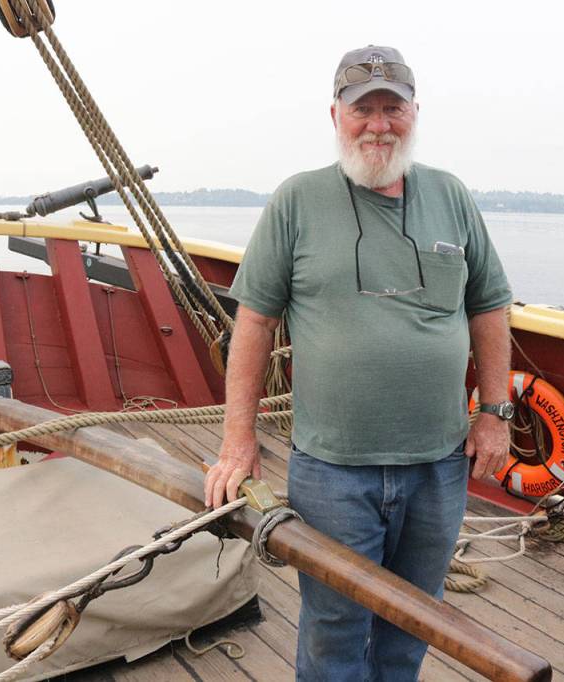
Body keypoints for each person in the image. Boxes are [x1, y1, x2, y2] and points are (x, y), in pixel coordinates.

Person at [204, 45, 515, 681]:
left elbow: (489, 306)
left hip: (438, 467)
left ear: (414, 113)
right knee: (335, 626)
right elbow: (255, 323)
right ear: (336, 116)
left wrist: (494, 411)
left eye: (392, 108)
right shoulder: (297, 200)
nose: (378, 124)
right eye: (362, 110)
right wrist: (239, 442)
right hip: (334, 472)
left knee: (413, 619)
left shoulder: (451, 196)